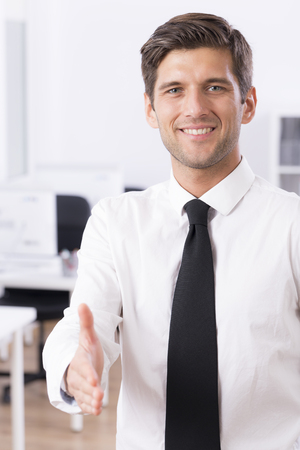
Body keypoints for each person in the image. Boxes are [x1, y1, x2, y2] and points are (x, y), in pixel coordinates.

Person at [43, 12, 300, 450]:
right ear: (150, 108)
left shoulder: (292, 226)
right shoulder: (115, 221)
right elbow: (86, 324)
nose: (194, 108)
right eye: (174, 90)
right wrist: (75, 364)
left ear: (248, 103)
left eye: (215, 87)